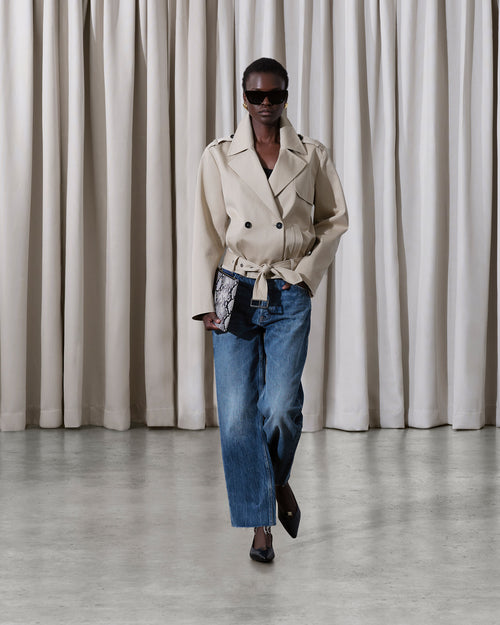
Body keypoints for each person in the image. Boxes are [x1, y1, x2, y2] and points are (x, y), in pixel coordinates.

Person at [191, 57, 348, 563]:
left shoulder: (311, 155)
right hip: (234, 289)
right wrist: (204, 302)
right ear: (243, 99)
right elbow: (205, 231)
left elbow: (334, 221)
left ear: (285, 96)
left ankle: (276, 480)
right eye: (256, 95)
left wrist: (306, 275)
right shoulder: (219, 156)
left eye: (274, 95)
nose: (265, 104)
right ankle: (261, 525)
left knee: (281, 407)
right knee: (238, 415)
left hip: (287, 289)